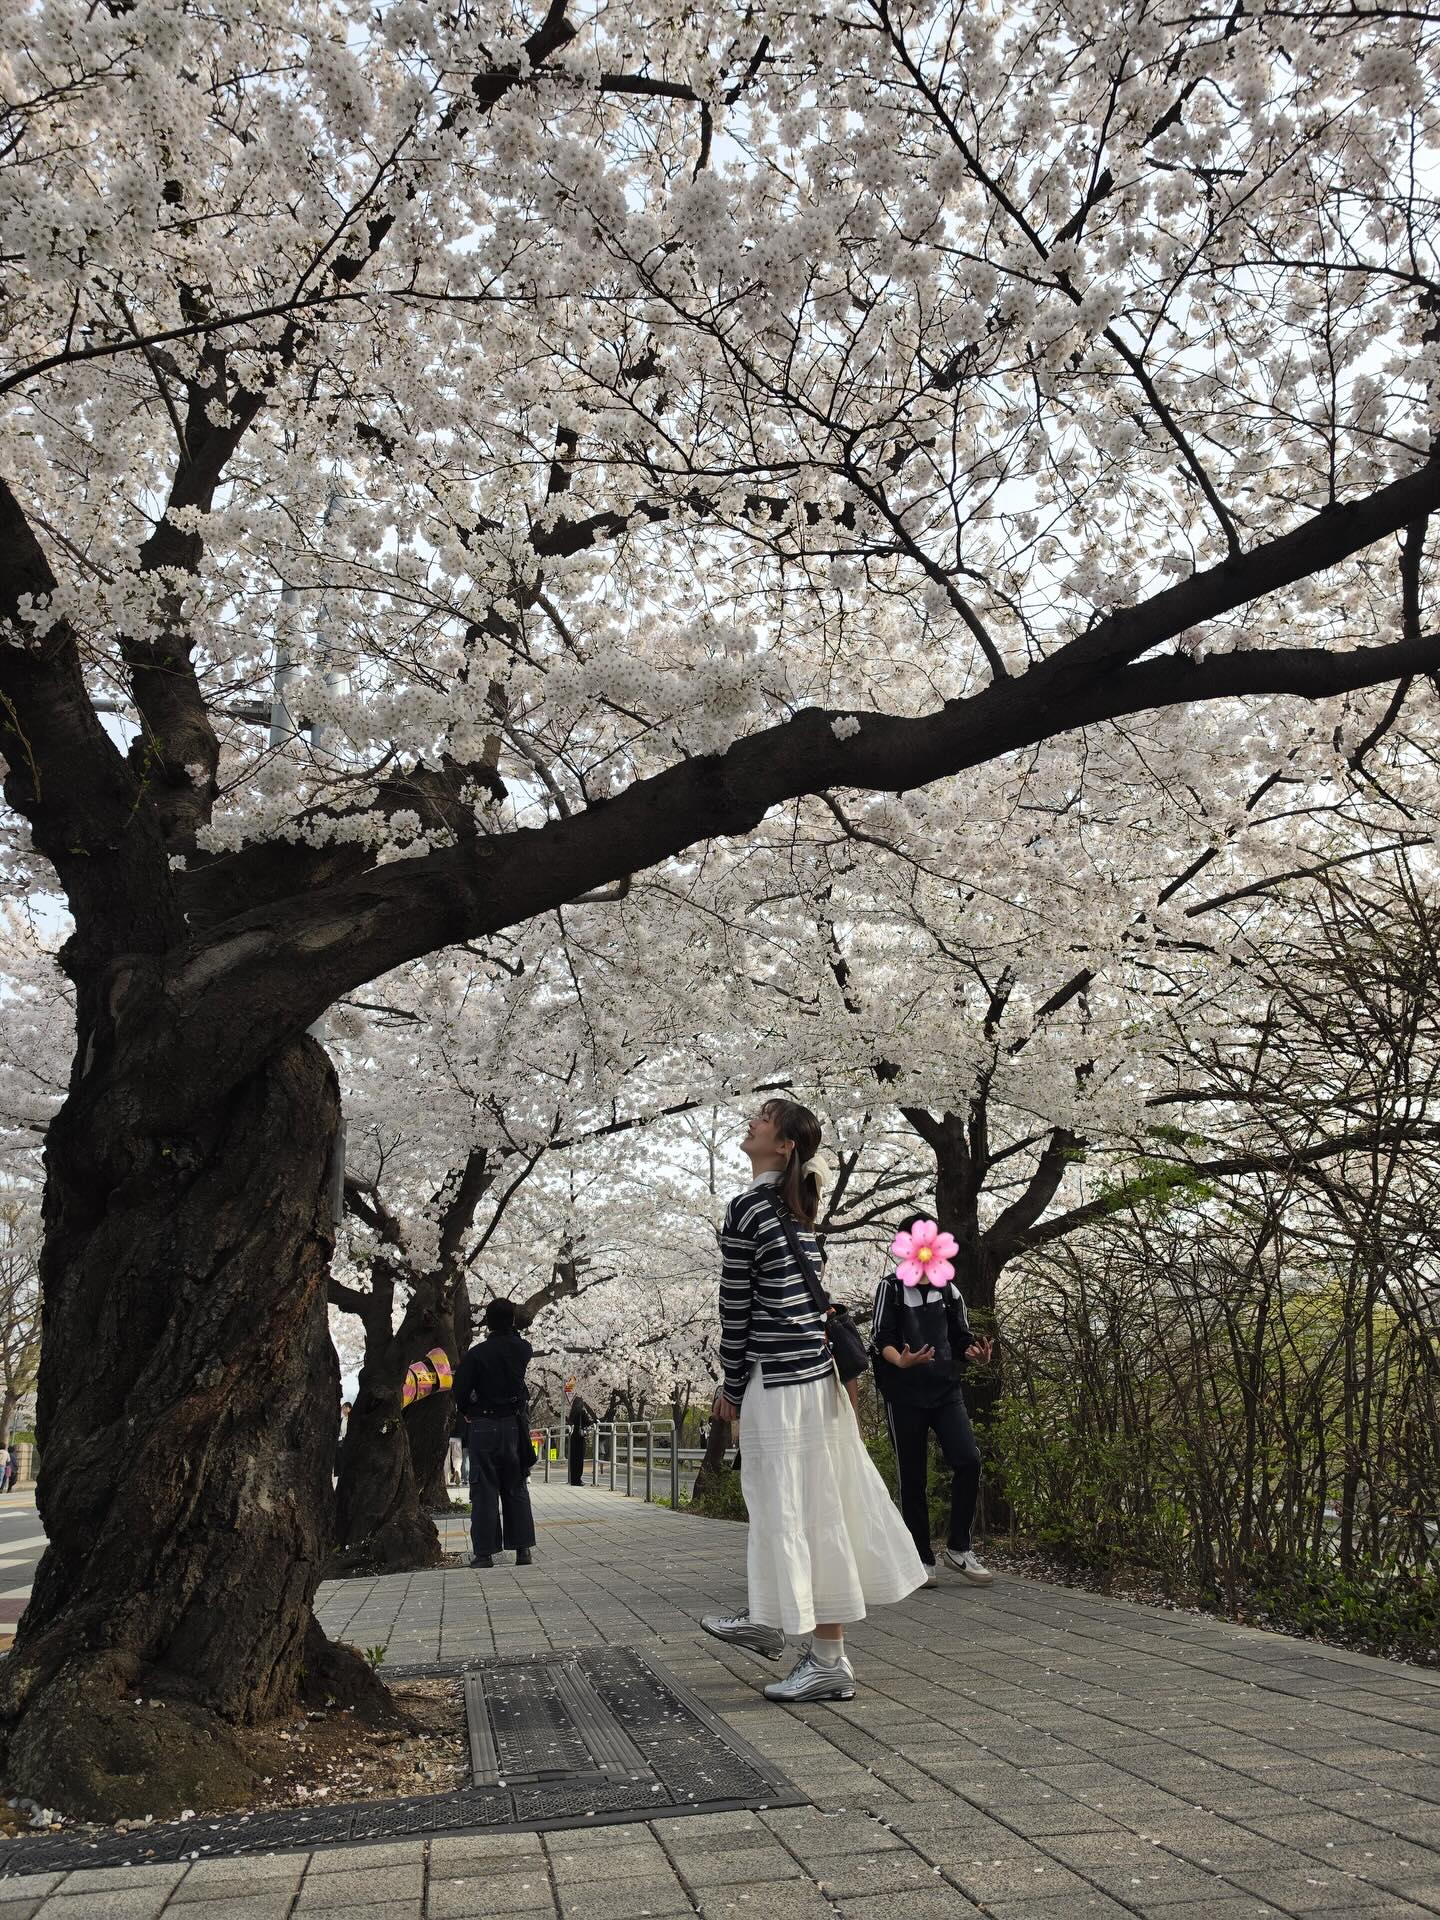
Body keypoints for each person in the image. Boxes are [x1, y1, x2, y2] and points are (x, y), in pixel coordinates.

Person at [701, 1098, 927, 1703]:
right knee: (811, 1510)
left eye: (765, 1117)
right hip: (814, 1380)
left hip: (778, 1383)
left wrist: (730, 1384)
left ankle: (824, 1657)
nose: (752, 1121)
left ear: (784, 1145)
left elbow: (736, 1305)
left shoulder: (750, 1207)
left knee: (793, 1510)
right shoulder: (794, 1211)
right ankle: (773, 1617)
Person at [872, 1216, 995, 1589]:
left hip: (945, 1391)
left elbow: (961, 1337)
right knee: (913, 1477)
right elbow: (881, 1337)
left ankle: (959, 1548)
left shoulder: (948, 1290)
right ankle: (920, 1558)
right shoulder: (891, 1288)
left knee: (968, 1460)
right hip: (904, 1394)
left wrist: (974, 1353)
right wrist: (901, 1360)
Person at [453, 1297, 536, 1569]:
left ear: (487, 1322)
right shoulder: (523, 1349)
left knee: (484, 1489)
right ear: (512, 1321)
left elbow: (460, 1390)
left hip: (484, 1424)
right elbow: (516, 1341)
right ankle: (523, 1549)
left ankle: (484, 1554)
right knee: (516, 1485)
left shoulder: (477, 1354)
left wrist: (467, 1409)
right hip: (513, 1425)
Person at [566, 1393, 595, 1486]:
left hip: (573, 1437)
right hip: (580, 1437)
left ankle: (573, 1479)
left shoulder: (572, 1413)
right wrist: (595, 1421)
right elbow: (588, 1422)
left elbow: (569, 1423)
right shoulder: (582, 1412)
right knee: (579, 1459)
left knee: (573, 1459)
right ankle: (578, 1480)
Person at [448, 1407, 468, 1488]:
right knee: (457, 1457)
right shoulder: (461, 1413)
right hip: (458, 1437)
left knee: (446, 1459)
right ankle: (457, 1471)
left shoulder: (446, 1410)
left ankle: (446, 1478)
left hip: (447, 1437)